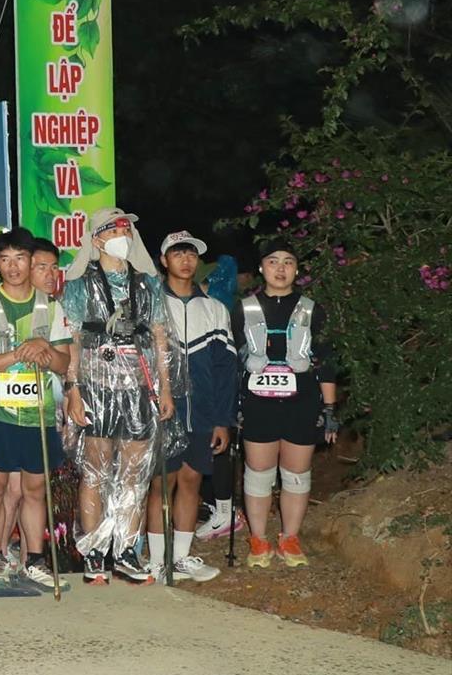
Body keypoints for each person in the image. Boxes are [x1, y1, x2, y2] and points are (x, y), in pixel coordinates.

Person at [62, 209, 174, 585]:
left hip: (138, 389)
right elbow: (72, 339)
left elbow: (160, 337)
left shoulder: (147, 284)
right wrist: (73, 390)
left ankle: (126, 550)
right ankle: (94, 551)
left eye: (126, 230)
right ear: (97, 239)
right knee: (95, 471)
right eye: (113, 230)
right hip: (96, 388)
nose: (122, 236)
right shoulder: (80, 284)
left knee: (133, 475)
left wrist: (165, 388)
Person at [0, 228, 72, 588]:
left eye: (20, 258)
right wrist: (18, 353)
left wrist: (45, 349)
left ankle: (35, 560)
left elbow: (64, 363)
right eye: (5, 259)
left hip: (39, 413)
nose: (13, 267)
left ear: (31, 261)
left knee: (34, 490)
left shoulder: (50, 306)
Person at [236, 239, 338, 569]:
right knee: (258, 473)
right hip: (257, 403)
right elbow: (232, 361)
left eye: (288, 261)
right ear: (261, 267)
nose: (280, 268)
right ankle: (259, 539)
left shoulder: (312, 309)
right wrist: (231, 406)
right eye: (273, 261)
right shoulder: (244, 308)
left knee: (296, 474)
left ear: (296, 269)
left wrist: (330, 410)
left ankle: (290, 538)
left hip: (301, 402)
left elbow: (326, 360)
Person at [146, 231, 235, 582]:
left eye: (191, 254)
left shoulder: (214, 309)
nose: (185, 260)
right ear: (163, 260)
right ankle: (156, 562)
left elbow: (225, 370)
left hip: (202, 410)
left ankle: (181, 558)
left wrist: (223, 419)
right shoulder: (151, 305)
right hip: (162, 409)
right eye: (177, 253)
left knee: (191, 479)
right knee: (160, 483)